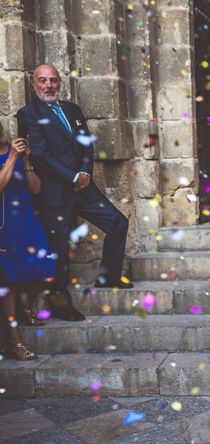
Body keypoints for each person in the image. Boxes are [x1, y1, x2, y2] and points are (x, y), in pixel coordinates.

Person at [17, 64, 133, 322]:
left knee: (117, 223)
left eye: (53, 80)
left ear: (60, 83)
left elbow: (85, 146)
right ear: (34, 84)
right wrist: (72, 176)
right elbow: (40, 154)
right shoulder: (28, 114)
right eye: (43, 81)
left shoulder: (72, 110)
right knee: (58, 249)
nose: (49, 85)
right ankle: (59, 304)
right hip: (55, 193)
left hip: (84, 188)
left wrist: (85, 174)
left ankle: (108, 276)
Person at [0, 126, 56, 360]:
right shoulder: (9, 156)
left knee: (47, 268)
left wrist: (28, 159)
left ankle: (24, 305)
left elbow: (36, 188)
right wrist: (12, 158)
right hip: (5, 224)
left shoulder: (17, 154)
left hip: (26, 219)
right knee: (9, 283)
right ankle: (13, 342)